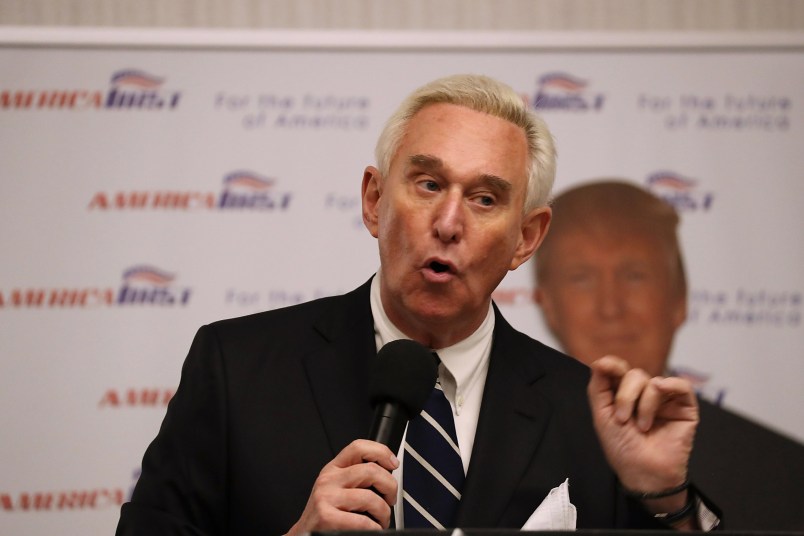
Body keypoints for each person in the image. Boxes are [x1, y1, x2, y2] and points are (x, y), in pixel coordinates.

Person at [117, 75, 718, 536]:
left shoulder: (587, 410)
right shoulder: (237, 368)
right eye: (428, 185)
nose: (449, 223)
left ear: (526, 239)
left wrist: (665, 500)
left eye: (485, 199)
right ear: (375, 201)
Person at [534, 180, 804, 531]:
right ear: (547, 305)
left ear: (680, 298)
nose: (610, 307)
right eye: (581, 278)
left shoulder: (780, 471)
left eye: (635, 276)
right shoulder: (486, 453)